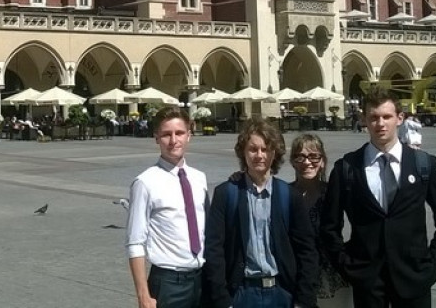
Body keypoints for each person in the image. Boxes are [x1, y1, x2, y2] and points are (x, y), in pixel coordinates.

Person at [320, 88, 436, 308]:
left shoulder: (424, 164)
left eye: (387, 117)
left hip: (414, 278)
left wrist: (433, 267)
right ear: (364, 120)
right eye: (374, 117)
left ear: (400, 118)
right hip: (368, 281)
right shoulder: (347, 168)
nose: (380, 124)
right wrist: (347, 266)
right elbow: (329, 227)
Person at [203, 118, 318, 308]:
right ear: (243, 152)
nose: (259, 155)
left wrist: (303, 300)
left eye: (265, 149)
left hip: (281, 292)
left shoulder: (289, 196)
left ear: (275, 153)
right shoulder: (226, 193)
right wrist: (222, 300)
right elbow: (214, 249)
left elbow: (307, 250)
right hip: (242, 293)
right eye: (253, 149)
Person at [126, 107, 207, 308]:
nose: (173, 140)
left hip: (202, 279)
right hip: (169, 283)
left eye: (179, 133)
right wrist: (143, 296)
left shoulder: (199, 178)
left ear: (189, 135)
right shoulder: (145, 182)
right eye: (166, 134)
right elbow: (135, 242)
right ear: (156, 138)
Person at [290, 134, 350, 308]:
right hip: (296, 275)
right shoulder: (284, 194)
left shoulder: (333, 192)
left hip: (331, 274)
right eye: (300, 157)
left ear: (323, 161)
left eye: (314, 156)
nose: (307, 162)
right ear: (293, 162)